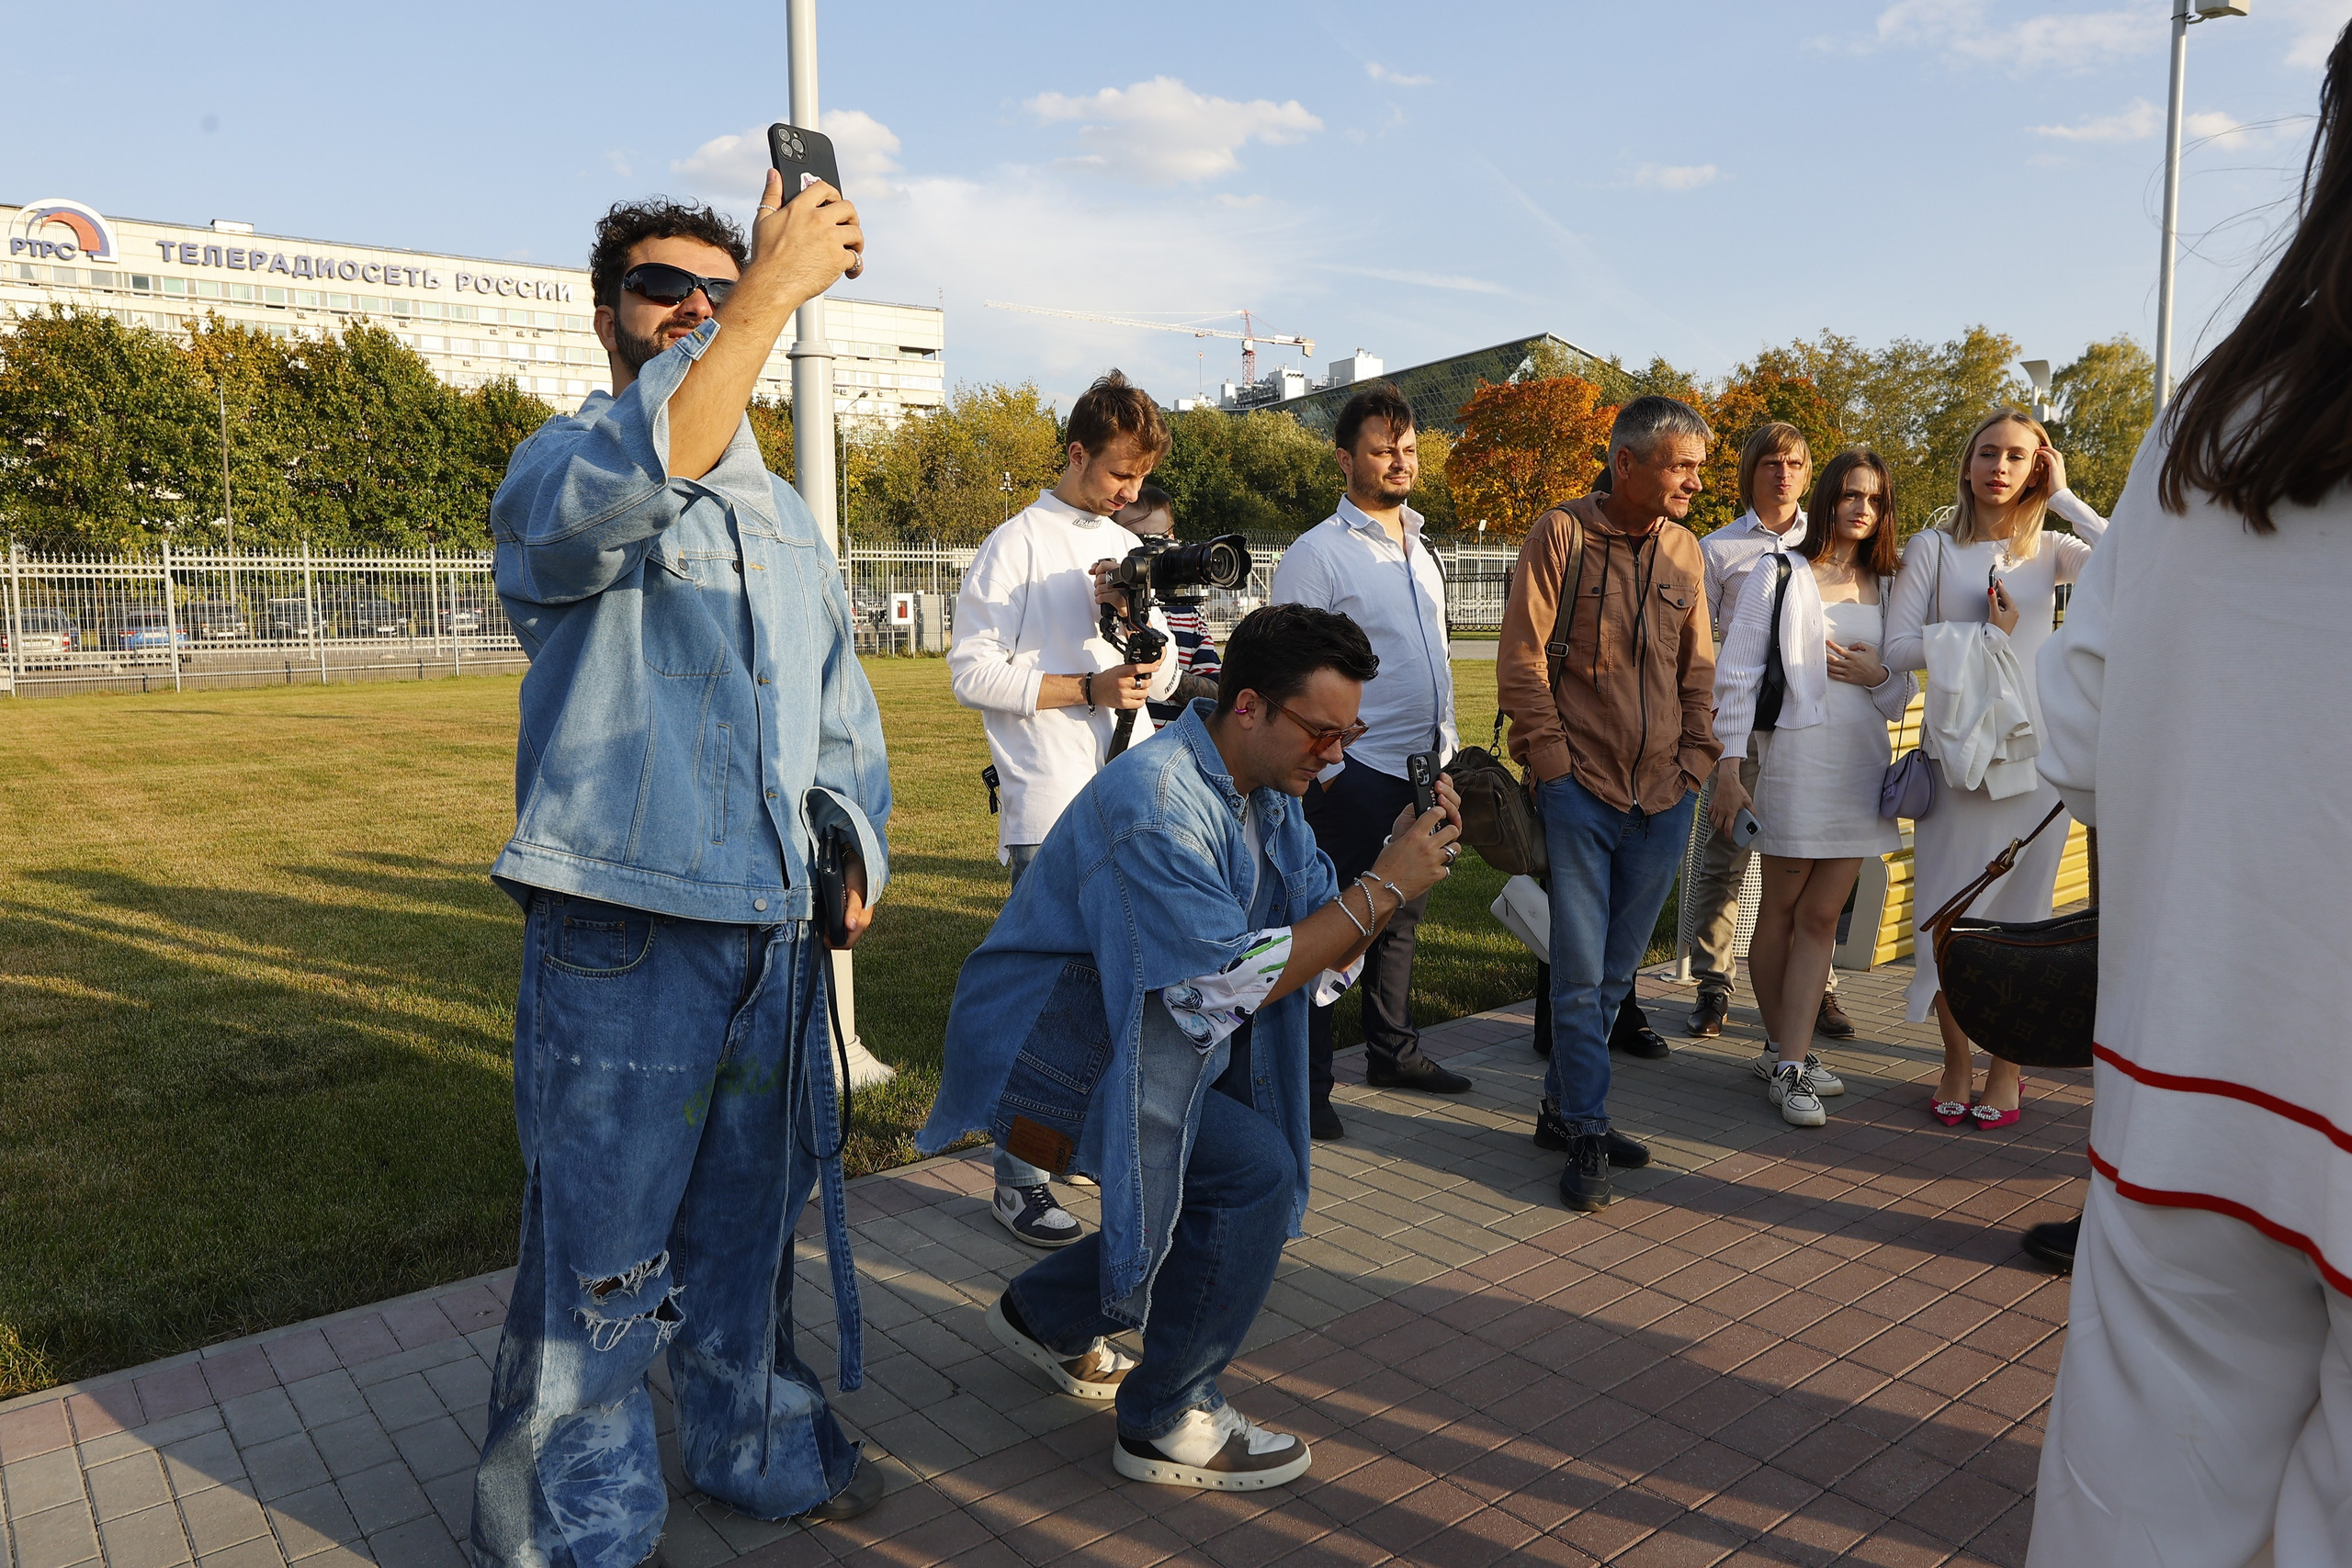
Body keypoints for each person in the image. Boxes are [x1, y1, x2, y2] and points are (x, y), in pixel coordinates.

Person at [470, 175, 891, 1564]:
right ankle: (569, 1530)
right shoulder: (564, 461)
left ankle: (754, 1446)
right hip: (625, 927)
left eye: (720, 287)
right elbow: (620, 495)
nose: (698, 308)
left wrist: (854, 842)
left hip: (772, 931)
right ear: (607, 315)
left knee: (747, 1237)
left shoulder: (785, 515)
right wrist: (765, 300)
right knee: (602, 1258)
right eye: (666, 287)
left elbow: (838, 713)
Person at [2026, 27, 2352, 1561]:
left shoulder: (2210, 427)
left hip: (2196, 1076)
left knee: (2136, 1513)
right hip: (2241, 1076)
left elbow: (2081, 735)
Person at [918, 605, 1462, 1490]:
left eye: (1348, 734)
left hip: (1113, 1030)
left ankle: (1043, 1312)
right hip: (1046, 1058)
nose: (1334, 756)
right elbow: (1224, 982)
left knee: (1223, 1170)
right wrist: (1382, 890)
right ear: (1248, 706)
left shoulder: (1263, 791)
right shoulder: (1159, 805)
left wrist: (1393, 866)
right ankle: (1165, 1416)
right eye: (1322, 733)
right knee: (1249, 1175)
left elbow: (1318, 932)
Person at [948, 371, 1182, 1247]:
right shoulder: (1015, 543)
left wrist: (1137, 639)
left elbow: (1157, 676)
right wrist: (1088, 686)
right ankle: (1019, 1179)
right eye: (1119, 472)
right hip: (1049, 803)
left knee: (1123, 995)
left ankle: (1084, 1146)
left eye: (1141, 477)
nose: (1130, 491)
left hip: (1131, 792)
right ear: (1077, 452)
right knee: (1048, 1003)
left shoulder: (1124, 547)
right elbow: (971, 671)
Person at [1496, 396, 1721, 1211]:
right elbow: (1521, 660)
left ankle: (1561, 1109)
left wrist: (1695, 762)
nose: (1696, 481)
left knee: (1616, 974)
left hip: (1666, 795)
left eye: (1699, 467)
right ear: (1627, 463)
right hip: (1580, 792)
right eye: (1681, 465)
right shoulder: (1560, 534)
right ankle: (1587, 1123)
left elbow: (1699, 670)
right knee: (1580, 972)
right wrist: (1554, 766)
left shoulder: (1686, 551)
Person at [1883, 410, 2106, 1129]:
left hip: (2036, 763)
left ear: (2037, 465)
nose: (1999, 467)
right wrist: (1980, 635)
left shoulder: (2054, 549)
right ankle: (1956, 1060)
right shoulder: (1932, 548)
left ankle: (2007, 1067)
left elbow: (2134, 564)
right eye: (1987, 452)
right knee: (1948, 912)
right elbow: (1897, 647)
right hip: (1960, 759)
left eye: (2017, 456)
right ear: (1967, 462)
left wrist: (2065, 496)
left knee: (2023, 919)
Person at [1270, 384, 1468, 1141]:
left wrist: (1447, 747)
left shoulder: (1423, 547)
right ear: (1345, 459)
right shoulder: (1317, 553)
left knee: (1401, 916)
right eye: (1384, 450)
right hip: (1353, 773)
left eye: (1409, 449)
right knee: (1332, 924)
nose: (1400, 462)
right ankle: (1307, 1086)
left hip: (1423, 767)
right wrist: (1327, 773)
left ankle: (1392, 1050)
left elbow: (1434, 655)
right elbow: (1289, 665)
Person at [1708, 449, 1913, 1127]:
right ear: (1828, 498)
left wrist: (1877, 677)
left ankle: (1786, 1055)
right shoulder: (1779, 571)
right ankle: (1786, 1058)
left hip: (1861, 763)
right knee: (1781, 909)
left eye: (1875, 499)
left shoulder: (1891, 583)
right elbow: (1737, 675)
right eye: (1852, 494)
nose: (1862, 508)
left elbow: (1902, 691)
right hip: (1796, 759)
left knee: (1823, 916)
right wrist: (1728, 768)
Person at [1685, 425, 1853, 1043]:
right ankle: (1713, 984)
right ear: (1750, 471)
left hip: (1810, 731)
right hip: (1745, 729)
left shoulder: (1828, 541)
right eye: (1771, 463)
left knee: (1810, 862)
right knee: (1726, 858)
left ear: (1809, 473)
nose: (1784, 474)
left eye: (1795, 463)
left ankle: (1819, 986)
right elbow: (1701, 646)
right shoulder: (1718, 549)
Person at [1112, 484, 1224, 725]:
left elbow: (1218, 694)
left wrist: (1165, 673)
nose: (1149, 553)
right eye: (1136, 541)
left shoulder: (1187, 613)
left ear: (1172, 539)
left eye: (1158, 541)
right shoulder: (1099, 603)